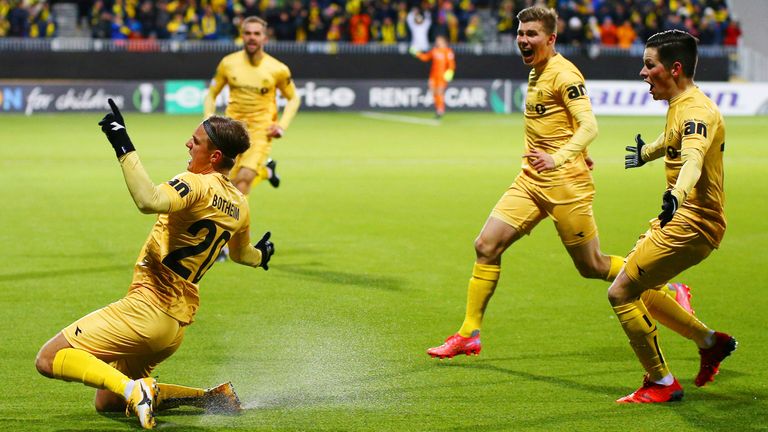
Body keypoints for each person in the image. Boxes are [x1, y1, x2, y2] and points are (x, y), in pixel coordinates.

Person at [35, 99, 275, 429]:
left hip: (147, 309)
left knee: (48, 358)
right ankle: (209, 398)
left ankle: (135, 390)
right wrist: (263, 255)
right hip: (172, 328)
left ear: (214, 156)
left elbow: (148, 200)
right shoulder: (240, 204)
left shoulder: (195, 183)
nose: (188, 144)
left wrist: (122, 142)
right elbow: (242, 255)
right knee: (107, 403)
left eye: (196, 141)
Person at [427, 5, 625, 359]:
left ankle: (668, 290)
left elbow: (589, 125)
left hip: (565, 183)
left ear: (551, 38)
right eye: (520, 33)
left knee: (591, 266)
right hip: (531, 180)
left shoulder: (565, 74)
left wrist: (562, 157)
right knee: (486, 245)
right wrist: (577, 151)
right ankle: (469, 333)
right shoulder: (537, 70)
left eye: (531, 34)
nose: (523, 39)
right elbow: (561, 124)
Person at [610, 29, 736, 403]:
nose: (642, 72)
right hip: (682, 219)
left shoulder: (697, 111)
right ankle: (709, 342)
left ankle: (661, 382)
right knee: (639, 287)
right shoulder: (681, 104)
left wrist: (677, 195)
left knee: (621, 292)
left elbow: (693, 158)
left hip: (692, 223)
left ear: (674, 68)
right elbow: (673, 139)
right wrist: (645, 153)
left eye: (649, 65)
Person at [204, 16, 300, 195]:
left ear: (265, 38)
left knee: (244, 178)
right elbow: (211, 93)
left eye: (256, 33)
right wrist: (208, 117)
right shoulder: (228, 63)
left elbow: (293, 98)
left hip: (261, 130)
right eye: (247, 33)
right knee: (228, 183)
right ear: (242, 36)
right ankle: (266, 171)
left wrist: (281, 126)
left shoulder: (278, 69)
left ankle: (239, 215)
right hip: (232, 129)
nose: (252, 37)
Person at [412, 35, 456, 119]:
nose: (437, 42)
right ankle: (438, 109)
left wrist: (450, 72)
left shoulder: (448, 51)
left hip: (442, 76)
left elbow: (451, 64)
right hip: (433, 75)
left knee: (439, 92)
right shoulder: (434, 51)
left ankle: (440, 109)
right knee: (434, 92)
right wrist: (417, 53)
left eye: (439, 40)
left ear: (443, 41)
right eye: (437, 41)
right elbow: (425, 57)